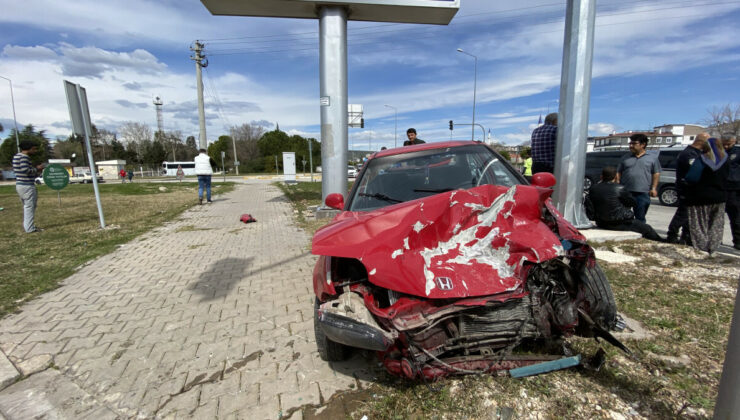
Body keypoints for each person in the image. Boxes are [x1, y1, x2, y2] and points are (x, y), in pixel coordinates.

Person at [676, 133, 727, 254]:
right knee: (716, 225)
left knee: (699, 224)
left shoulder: (702, 159)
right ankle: (712, 248)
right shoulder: (726, 160)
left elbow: (691, 178)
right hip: (720, 197)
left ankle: (701, 249)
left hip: (700, 197)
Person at [589, 166, 663, 241]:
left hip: (601, 222)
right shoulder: (620, 188)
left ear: (601, 176)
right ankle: (661, 241)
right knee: (647, 228)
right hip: (619, 222)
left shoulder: (593, 189)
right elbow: (632, 202)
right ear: (616, 176)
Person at [616, 133, 661, 223]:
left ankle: (640, 232)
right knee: (622, 215)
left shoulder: (652, 158)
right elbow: (618, 172)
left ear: (643, 144)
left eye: (634, 143)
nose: (631, 146)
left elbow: (656, 173)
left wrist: (654, 188)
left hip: (642, 193)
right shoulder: (625, 157)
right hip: (626, 191)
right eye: (630, 144)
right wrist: (617, 185)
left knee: (640, 217)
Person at [13, 140, 45, 233]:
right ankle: (30, 228)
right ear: (28, 148)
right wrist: (37, 169)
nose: (35, 151)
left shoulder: (16, 156)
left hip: (20, 184)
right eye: (34, 149)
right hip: (27, 185)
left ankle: (28, 226)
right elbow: (25, 170)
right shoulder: (24, 157)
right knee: (30, 206)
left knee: (27, 206)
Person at [721, 134, 739, 250]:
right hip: (721, 188)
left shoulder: (738, 152)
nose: (726, 146)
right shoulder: (719, 153)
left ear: (734, 142)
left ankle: (737, 241)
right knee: (716, 218)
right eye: (724, 144)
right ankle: (715, 239)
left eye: (729, 144)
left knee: (736, 218)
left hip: (735, 190)